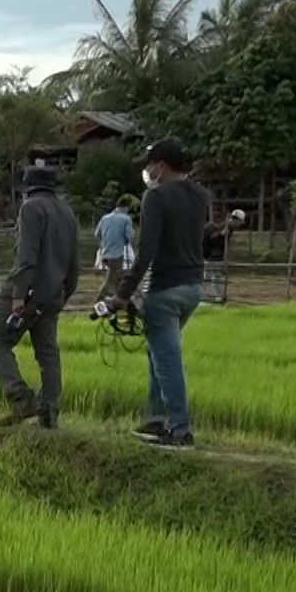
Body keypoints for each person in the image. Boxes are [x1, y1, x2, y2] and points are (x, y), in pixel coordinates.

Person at [110, 139, 214, 449]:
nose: (148, 170)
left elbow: (146, 252)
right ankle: (155, 420)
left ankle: (180, 431)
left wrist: (122, 295)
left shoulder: (155, 197)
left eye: (150, 164)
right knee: (158, 350)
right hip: (193, 287)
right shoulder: (200, 195)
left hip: (165, 289)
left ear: (162, 165)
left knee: (167, 359)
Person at [0, 165, 80, 429]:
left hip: (27, 291)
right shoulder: (67, 212)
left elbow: (26, 257)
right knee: (47, 351)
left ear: (28, 187)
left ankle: (21, 398)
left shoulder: (30, 209)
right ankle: (49, 409)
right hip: (54, 293)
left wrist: (18, 297)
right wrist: (65, 293)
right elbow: (74, 262)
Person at [93, 195, 136, 304]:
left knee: (117, 281)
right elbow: (130, 237)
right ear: (126, 207)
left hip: (105, 255)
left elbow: (97, 234)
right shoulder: (126, 218)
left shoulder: (105, 217)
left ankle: (116, 307)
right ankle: (97, 304)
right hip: (117, 256)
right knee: (110, 282)